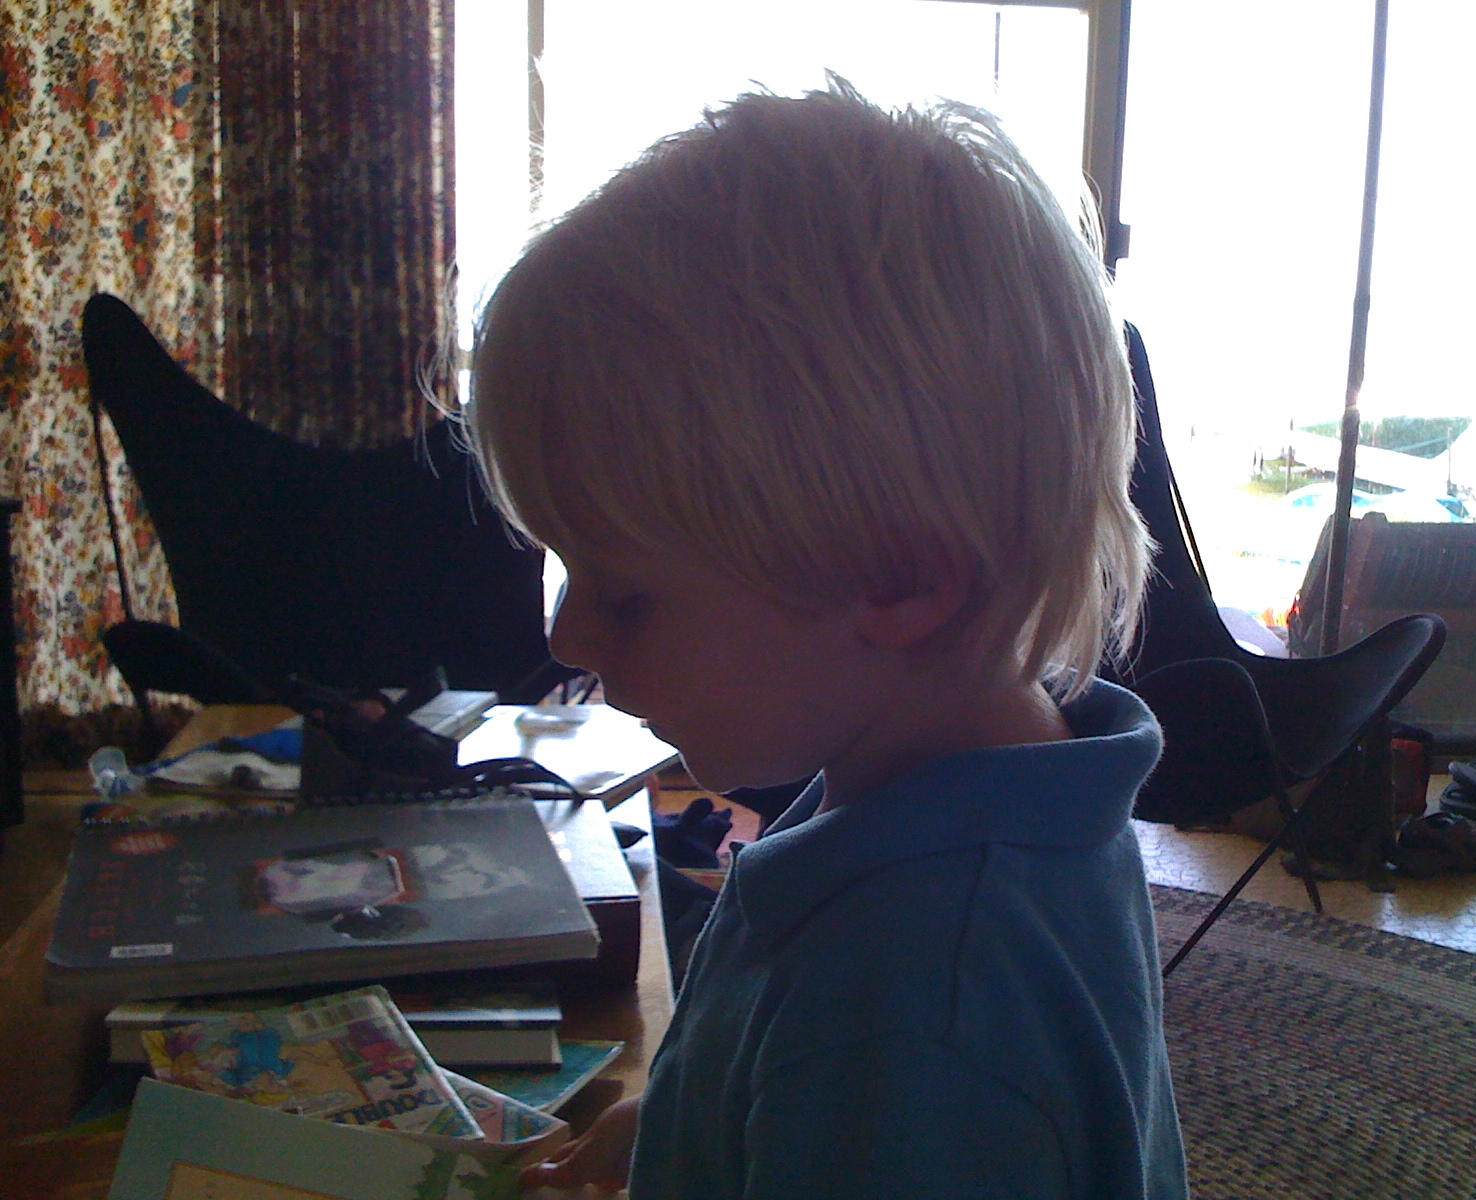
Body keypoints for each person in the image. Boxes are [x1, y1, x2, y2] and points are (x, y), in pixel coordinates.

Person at [467, 77, 1186, 1199]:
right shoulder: (988, 805)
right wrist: (672, 1126)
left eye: (626, 593)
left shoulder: (913, 1019)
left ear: (900, 578)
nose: (567, 635)